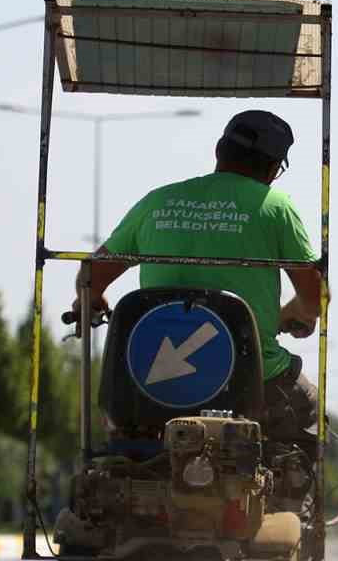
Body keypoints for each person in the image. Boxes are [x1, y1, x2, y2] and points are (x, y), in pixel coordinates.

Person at [71, 109, 323, 440]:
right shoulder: (276, 208)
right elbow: (315, 298)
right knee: (309, 410)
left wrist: (90, 300)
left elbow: (90, 275)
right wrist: (292, 315)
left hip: (147, 384)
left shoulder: (157, 202)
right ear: (275, 168)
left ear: (219, 150)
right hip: (252, 381)